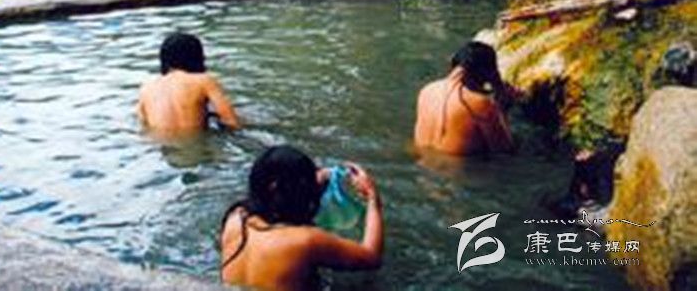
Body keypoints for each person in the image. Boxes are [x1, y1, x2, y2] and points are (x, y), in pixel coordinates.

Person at [220, 145, 383, 290]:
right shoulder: (306, 240)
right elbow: (371, 257)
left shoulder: (236, 218)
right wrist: (373, 199)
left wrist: (311, 182)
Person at [413, 41, 515, 156]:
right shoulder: (480, 103)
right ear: (486, 75)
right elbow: (504, 150)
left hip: (422, 161)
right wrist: (502, 108)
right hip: (458, 166)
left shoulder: (427, 91)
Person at [137, 32, 240, 135]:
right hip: (198, 142)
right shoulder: (203, 80)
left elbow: (144, 126)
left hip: (160, 142)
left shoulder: (146, 87)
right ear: (197, 57)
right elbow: (231, 122)